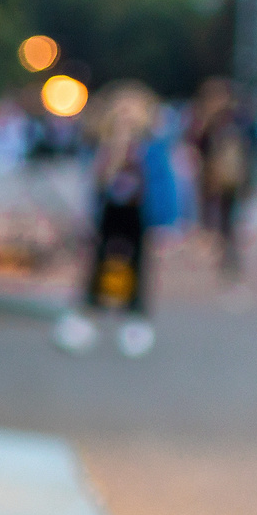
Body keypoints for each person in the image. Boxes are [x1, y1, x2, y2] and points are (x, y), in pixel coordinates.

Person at [55, 82, 161, 358]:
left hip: (138, 213)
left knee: (138, 264)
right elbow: (94, 180)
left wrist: (167, 219)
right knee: (98, 260)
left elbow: (161, 182)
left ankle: (135, 315)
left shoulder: (150, 146)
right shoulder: (102, 144)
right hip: (108, 212)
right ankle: (89, 310)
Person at [185, 77, 256, 283]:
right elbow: (195, 145)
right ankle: (221, 251)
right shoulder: (205, 120)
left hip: (232, 176)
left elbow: (251, 149)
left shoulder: (237, 118)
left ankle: (228, 255)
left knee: (228, 217)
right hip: (211, 176)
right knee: (212, 216)